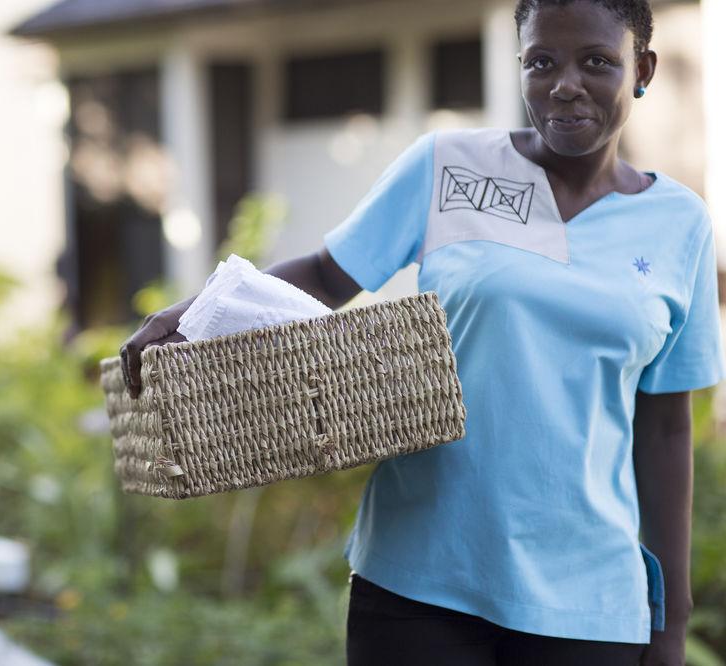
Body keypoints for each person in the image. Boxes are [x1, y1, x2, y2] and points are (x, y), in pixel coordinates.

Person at [119, 0, 726, 663]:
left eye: (598, 62)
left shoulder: (679, 223)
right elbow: (327, 275)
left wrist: (669, 623)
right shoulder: (449, 165)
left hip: (589, 602)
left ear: (641, 69)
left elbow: (666, 428)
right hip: (420, 580)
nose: (565, 84)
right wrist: (200, 309)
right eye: (541, 61)